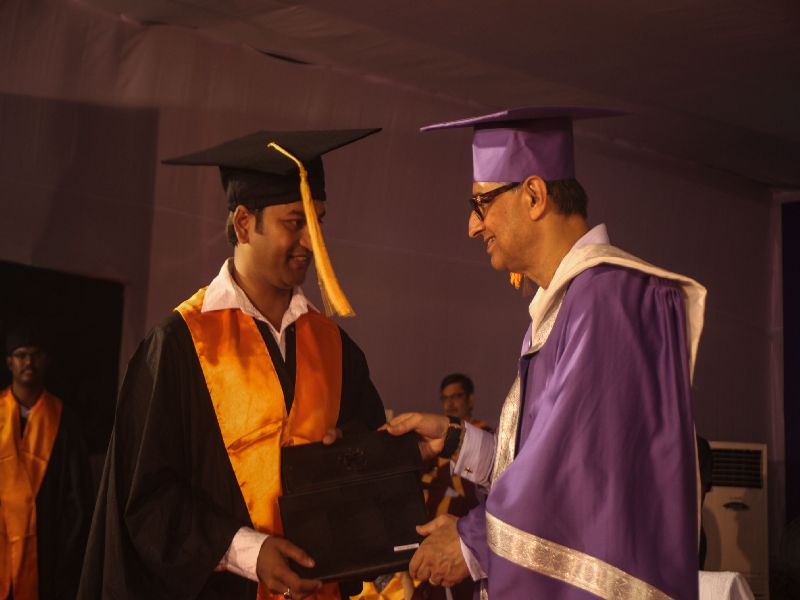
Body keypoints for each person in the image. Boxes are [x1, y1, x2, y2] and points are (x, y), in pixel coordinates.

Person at [384, 108, 706, 599]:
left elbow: (574, 480)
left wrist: (471, 541)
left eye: (482, 203)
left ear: (533, 195)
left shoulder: (609, 299)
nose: (473, 226)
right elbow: (549, 458)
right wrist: (455, 439)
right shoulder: (572, 302)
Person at [78, 129, 387, 600]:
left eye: (318, 222)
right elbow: (144, 496)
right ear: (243, 224)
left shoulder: (337, 349)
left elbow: (369, 470)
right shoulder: (179, 345)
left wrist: (352, 457)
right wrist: (248, 551)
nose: (311, 241)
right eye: (295, 222)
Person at [1, 323, 93, 600]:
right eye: (21, 355)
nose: (28, 362)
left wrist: (66, 555)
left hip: (46, 552)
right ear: (9, 362)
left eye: (35, 354)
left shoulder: (64, 421)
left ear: (46, 360)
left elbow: (78, 499)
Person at [412, 374, 490, 600]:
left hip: (469, 544)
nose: (450, 404)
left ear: (470, 399)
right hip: (435, 542)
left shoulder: (487, 441)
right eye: (445, 398)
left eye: (456, 396)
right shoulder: (433, 445)